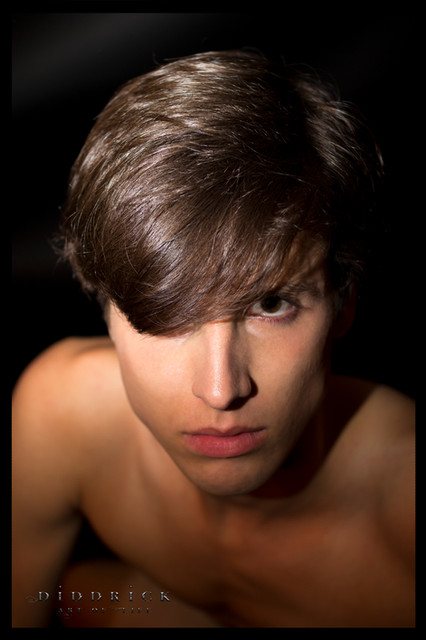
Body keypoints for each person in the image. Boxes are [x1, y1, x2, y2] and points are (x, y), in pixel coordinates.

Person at [12, 50, 415, 628]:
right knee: (77, 594)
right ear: (105, 310)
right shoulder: (61, 414)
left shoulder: (403, 508)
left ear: (342, 301)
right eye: (169, 312)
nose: (221, 391)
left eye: (271, 305)